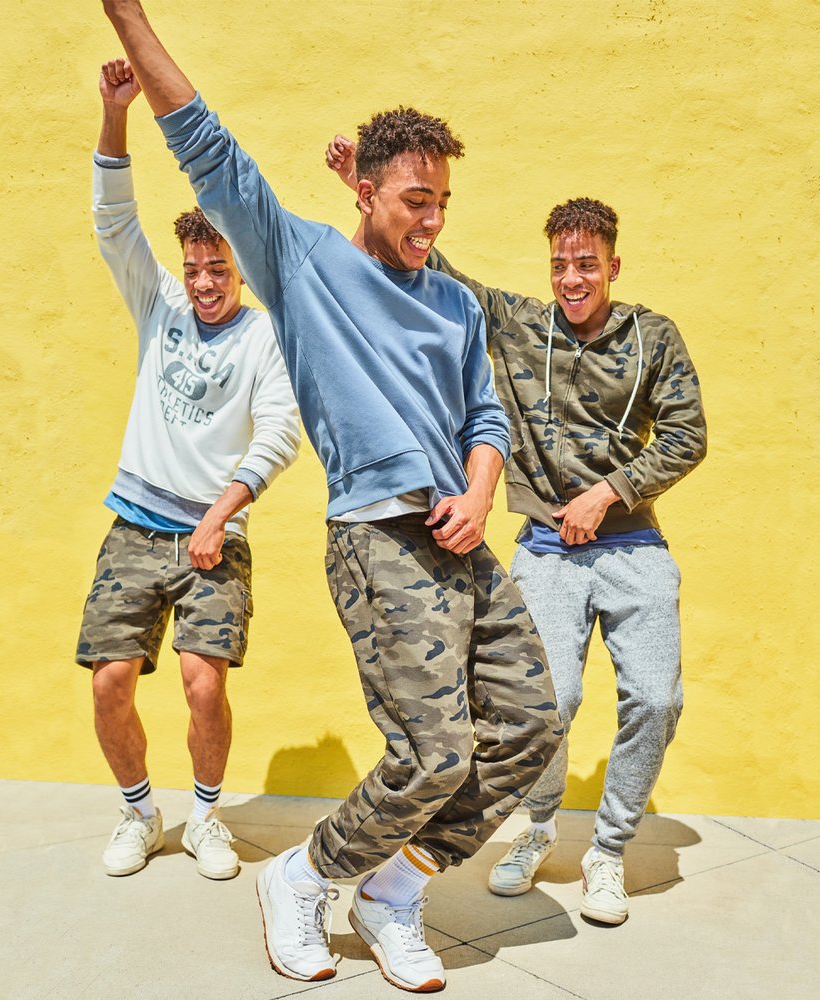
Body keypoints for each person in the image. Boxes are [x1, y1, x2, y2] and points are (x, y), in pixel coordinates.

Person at [100, 2, 561, 991]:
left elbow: (486, 417)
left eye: (442, 202)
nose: (430, 220)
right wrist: (127, 16)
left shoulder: (454, 301)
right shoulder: (305, 263)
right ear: (363, 187)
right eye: (413, 199)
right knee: (434, 751)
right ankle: (303, 877)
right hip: (379, 540)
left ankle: (393, 891)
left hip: (460, 538)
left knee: (528, 728)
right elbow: (203, 142)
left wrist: (483, 493)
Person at [326, 134, 707, 926]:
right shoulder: (520, 324)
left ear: (612, 266)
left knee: (656, 698)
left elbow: (686, 434)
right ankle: (536, 828)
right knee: (547, 701)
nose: (573, 279)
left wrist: (609, 492)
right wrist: (358, 187)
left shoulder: (653, 337)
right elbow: (433, 264)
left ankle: (608, 849)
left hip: (633, 546)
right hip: (545, 551)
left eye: (587, 265)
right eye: (561, 265)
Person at [77, 58, 300, 883]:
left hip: (216, 536)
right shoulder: (160, 303)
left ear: (240, 266)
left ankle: (206, 817)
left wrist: (219, 516)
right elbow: (113, 222)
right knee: (110, 683)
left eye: (220, 269)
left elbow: (279, 434)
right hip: (136, 527)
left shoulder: (265, 336)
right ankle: (141, 814)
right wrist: (115, 114)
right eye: (196, 268)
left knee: (203, 684)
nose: (206, 283)